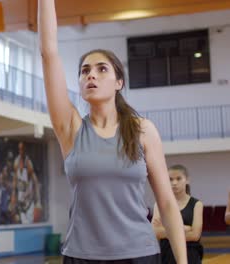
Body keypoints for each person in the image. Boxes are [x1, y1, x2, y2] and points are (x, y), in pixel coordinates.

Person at [38, 1, 187, 263]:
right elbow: (49, 52)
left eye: (101, 69)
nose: (90, 75)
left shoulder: (143, 130)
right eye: (85, 71)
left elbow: (166, 203)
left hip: (139, 254)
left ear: (119, 83)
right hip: (81, 255)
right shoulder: (70, 128)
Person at [152, 165, 203, 264]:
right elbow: (155, 232)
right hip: (167, 255)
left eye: (178, 179)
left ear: (187, 180)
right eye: (170, 179)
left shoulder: (197, 204)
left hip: (191, 255)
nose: (174, 183)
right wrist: (184, 228)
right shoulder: (159, 204)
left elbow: (195, 235)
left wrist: (167, 231)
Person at [10, 142, 41, 224]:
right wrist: (13, 195)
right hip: (20, 199)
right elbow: (15, 180)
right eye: (20, 149)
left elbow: (35, 182)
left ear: (25, 150)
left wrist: (38, 202)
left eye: (23, 149)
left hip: (28, 199)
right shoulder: (16, 162)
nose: (21, 151)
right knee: (22, 222)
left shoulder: (29, 163)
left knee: (29, 222)